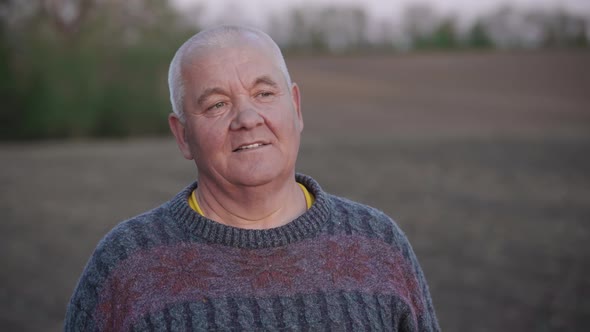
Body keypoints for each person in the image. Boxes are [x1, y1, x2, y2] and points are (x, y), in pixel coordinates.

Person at [64, 25, 439, 331]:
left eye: (263, 93)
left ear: (295, 107)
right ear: (183, 135)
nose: (247, 118)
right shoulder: (127, 264)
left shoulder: (377, 245)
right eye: (217, 105)